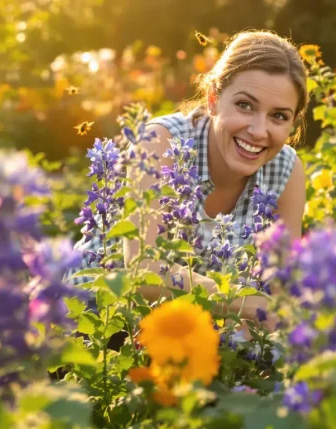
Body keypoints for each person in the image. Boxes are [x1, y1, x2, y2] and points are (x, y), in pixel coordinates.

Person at [74, 30, 308, 330]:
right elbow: (143, 273)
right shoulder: (162, 141)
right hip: (96, 326)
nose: (259, 131)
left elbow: (284, 293)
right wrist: (250, 304)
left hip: (199, 337)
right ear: (213, 100)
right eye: (245, 105)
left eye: (278, 116)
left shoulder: (286, 170)